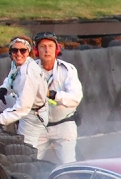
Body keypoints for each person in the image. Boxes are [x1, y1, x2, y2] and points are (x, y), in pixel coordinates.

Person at [28, 31, 83, 165]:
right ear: (36, 50)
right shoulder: (28, 69)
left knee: (69, 164)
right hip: (38, 125)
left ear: (57, 49)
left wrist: (53, 95)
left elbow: (76, 97)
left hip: (64, 124)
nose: (47, 50)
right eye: (43, 46)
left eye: (50, 46)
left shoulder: (68, 70)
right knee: (28, 163)